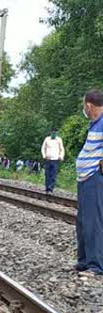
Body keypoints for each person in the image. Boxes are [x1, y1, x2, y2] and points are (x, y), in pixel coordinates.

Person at [74, 89, 103, 275]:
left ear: (89, 105)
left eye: (84, 105)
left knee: (94, 221)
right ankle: (84, 261)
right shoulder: (95, 124)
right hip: (85, 178)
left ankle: (96, 265)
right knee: (83, 221)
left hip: (94, 177)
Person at [41, 129, 65, 194]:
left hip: (55, 159)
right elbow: (43, 148)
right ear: (50, 133)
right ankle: (47, 188)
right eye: (52, 133)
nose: (53, 134)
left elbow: (62, 149)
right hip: (48, 159)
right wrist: (44, 155)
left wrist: (61, 156)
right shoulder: (47, 139)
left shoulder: (59, 140)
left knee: (53, 175)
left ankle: (51, 188)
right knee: (47, 174)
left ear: (56, 133)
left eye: (55, 133)